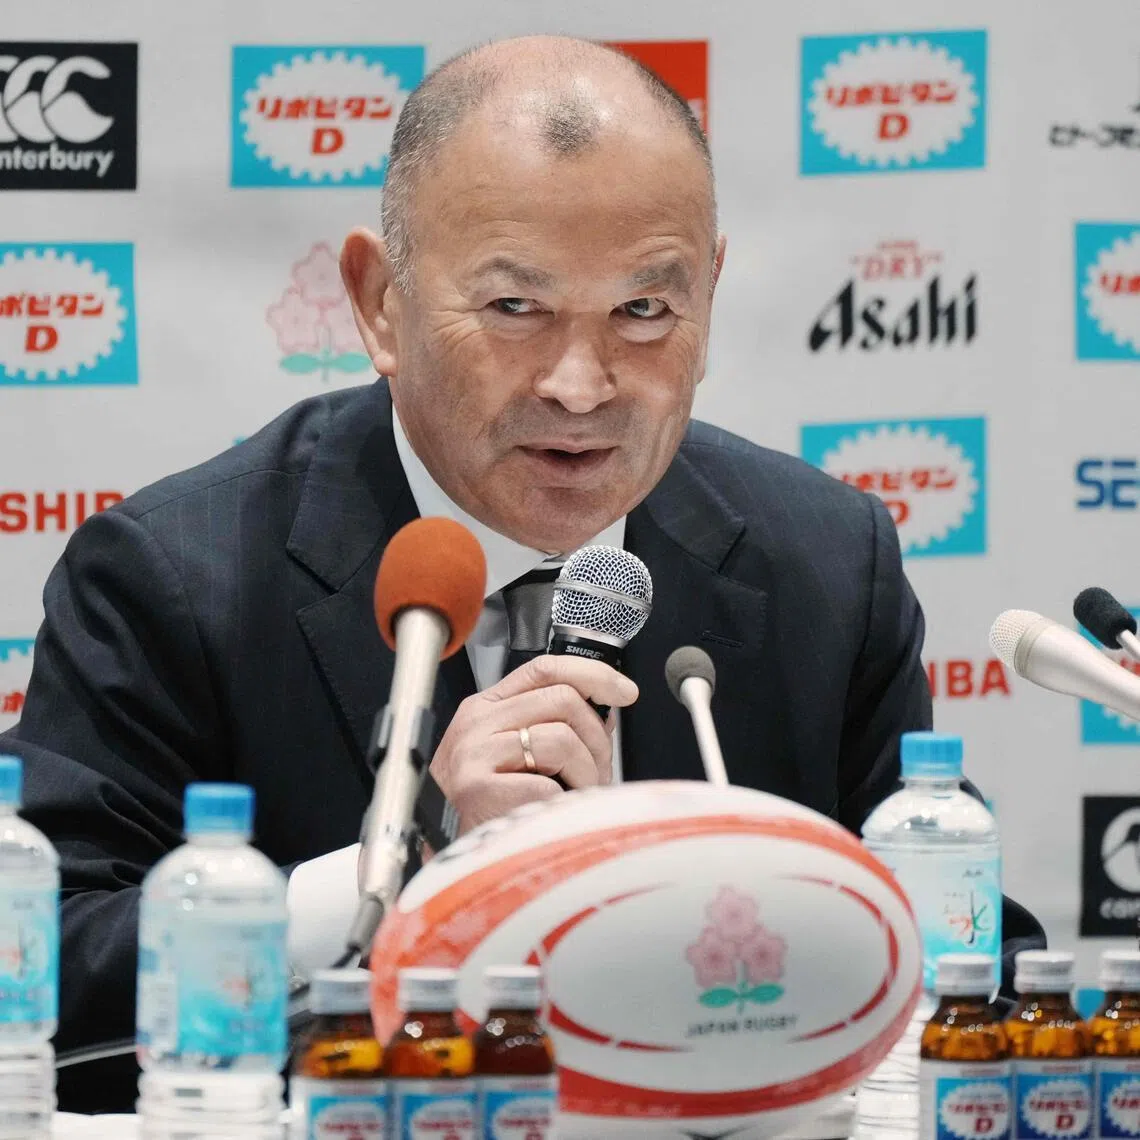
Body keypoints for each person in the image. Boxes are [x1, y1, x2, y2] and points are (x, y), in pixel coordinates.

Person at [0, 36, 1044, 1112]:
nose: (582, 386)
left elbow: (970, 959)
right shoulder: (179, 576)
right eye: (514, 309)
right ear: (379, 302)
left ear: (710, 294)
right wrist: (396, 876)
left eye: (644, 311)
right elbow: (41, 962)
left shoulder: (824, 562)